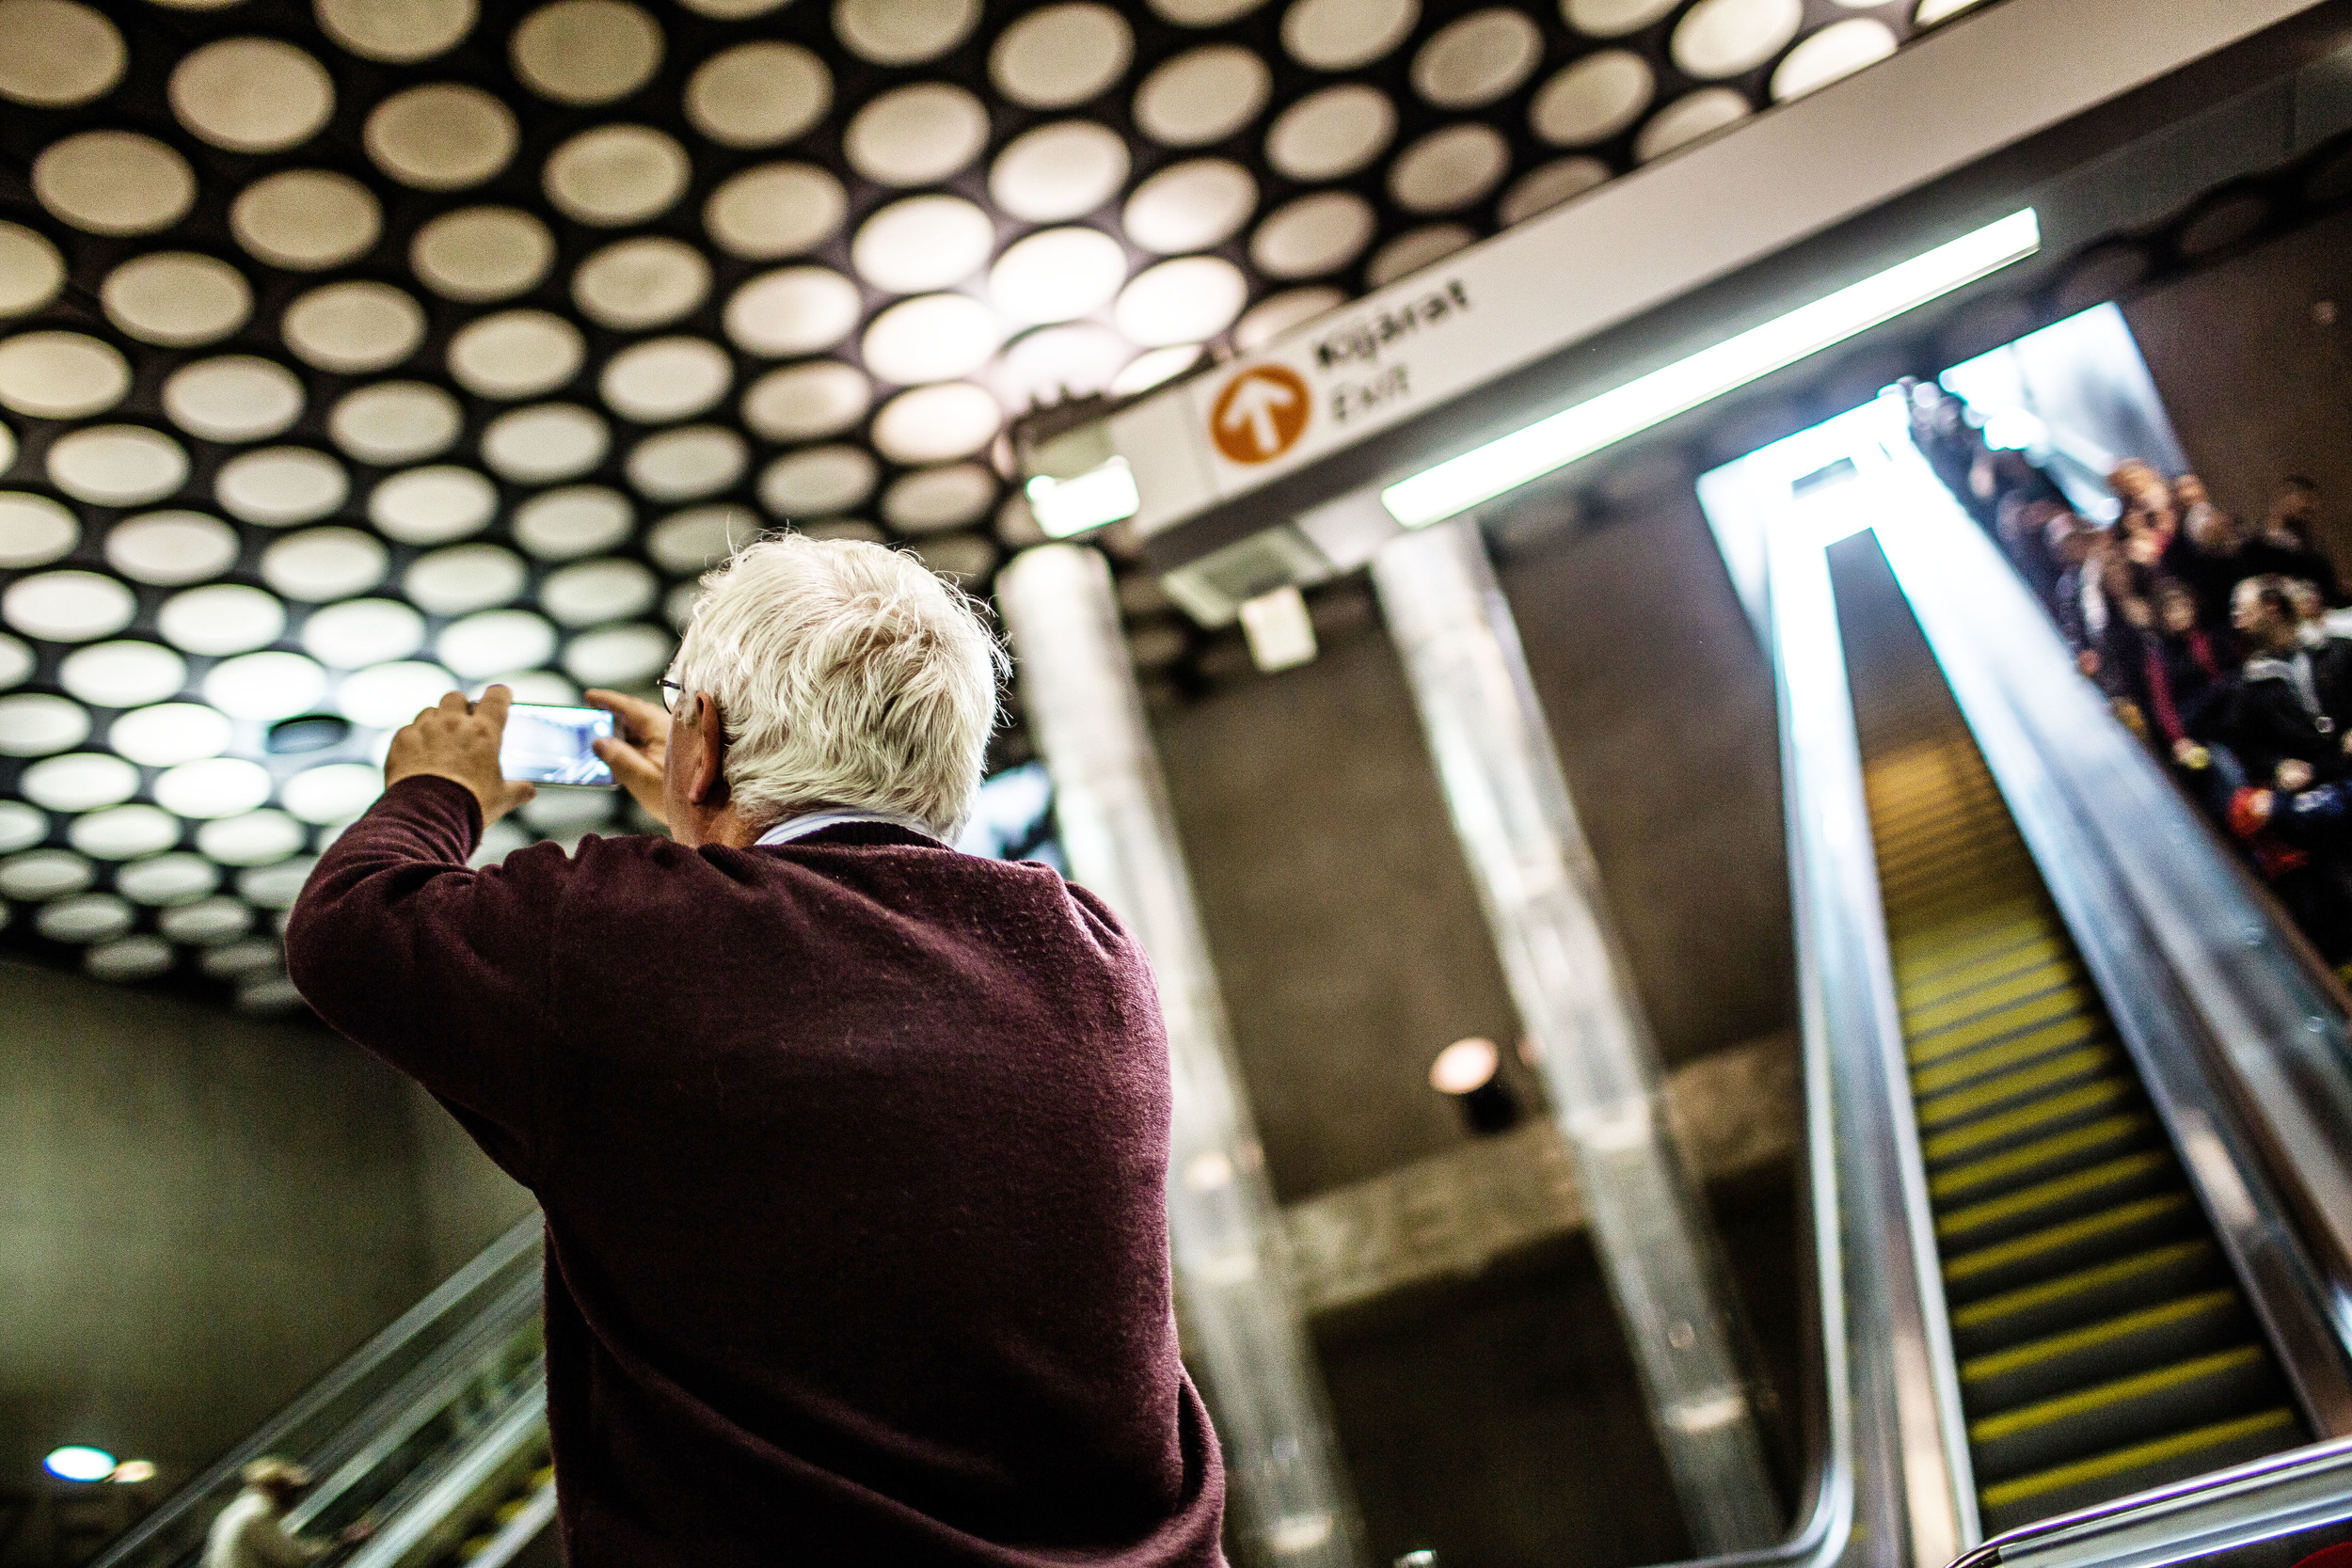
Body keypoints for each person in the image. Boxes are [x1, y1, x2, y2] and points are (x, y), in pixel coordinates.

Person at [285, 537, 1227, 1568]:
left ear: (706, 740)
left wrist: (438, 787)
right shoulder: (1087, 951)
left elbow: (348, 922)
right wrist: (710, 829)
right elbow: (844, 929)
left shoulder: (614, 940)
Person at [202, 1459, 366, 1568]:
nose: (296, 1498)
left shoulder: (236, 1511)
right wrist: (340, 1542)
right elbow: (292, 1557)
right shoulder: (258, 1515)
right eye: (292, 1490)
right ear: (277, 1488)